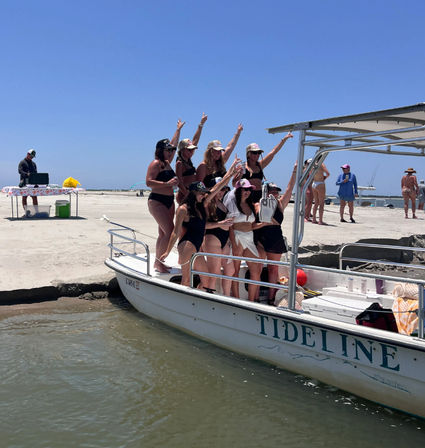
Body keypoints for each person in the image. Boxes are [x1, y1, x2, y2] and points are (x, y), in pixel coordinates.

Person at [160, 158, 240, 288]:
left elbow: (216, 188)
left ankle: (197, 298)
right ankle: (183, 304)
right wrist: (167, 252)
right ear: (193, 193)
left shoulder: (202, 204)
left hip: (197, 247)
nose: (203, 195)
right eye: (200, 193)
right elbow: (175, 232)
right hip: (187, 245)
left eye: (204, 193)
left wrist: (230, 172)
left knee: (207, 279)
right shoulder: (183, 209)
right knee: (186, 280)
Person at [255, 163, 298, 304]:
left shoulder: (280, 203)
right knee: (258, 268)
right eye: (272, 191)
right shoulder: (259, 204)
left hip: (275, 239)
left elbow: (289, 188)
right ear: (265, 192)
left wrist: (294, 171)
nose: (275, 194)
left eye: (276, 192)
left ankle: (271, 298)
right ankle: (254, 297)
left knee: (273, 269)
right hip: (260, 238)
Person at [146, 119, 184, 273]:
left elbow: (173, 144)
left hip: (169, 200)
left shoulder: (167, 162)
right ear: (160, 150)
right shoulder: (156, 163)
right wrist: (168, 184)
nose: (170, 152)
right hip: (157, 201)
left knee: (162, 233)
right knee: (169, 231)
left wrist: (178, 130)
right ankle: (158, 262)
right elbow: (148, 182)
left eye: (171, 150)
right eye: (167, 150)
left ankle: (159, 261)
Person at [224, 178, 262, 302]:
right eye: (245, 189)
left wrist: (265, 224)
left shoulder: (250, 204)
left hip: (249, 238)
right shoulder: (233, 204)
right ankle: (237, 299)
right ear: (239, 190)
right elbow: (230, 226)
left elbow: (252, 225)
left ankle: (251, 301)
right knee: (235, 270)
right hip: (237, 236)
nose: (247, 192)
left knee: (256, 270)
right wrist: (233, 244)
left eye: (249, 189)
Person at [203, 176, 238, 296]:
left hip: (224, 240)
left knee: (230, 270)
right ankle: (208, 298)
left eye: (224, 190)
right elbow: (203, 225)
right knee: (214, 273)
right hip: (212, 238)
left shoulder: (222, 203)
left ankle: (226, 297)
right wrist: (219, 224)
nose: (222, 192)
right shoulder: (207, 203)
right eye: (220, 189)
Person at [233, 133, 293, 203]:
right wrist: (240, 174)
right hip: (247, 197)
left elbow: (273, 152)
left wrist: (284, 139)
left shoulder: (260, 165)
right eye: (255, 152)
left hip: (260, 196)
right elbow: (234, 184)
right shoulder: (242, 167)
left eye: (259, 153)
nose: (257, 155)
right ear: (248, 154)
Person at [175, 113, 208, 204]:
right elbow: (179, 183)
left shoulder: (187, 160)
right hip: (185, 194)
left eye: (192, 150)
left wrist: (201, 124)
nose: (192, 152)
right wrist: (188, 195)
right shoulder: (180, 163)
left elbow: (195, 140)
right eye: (189, 150)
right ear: (182, 150)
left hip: (191, 193)